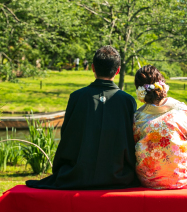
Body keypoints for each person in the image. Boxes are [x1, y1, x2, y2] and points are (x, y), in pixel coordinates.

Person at [26, 46, 139, 190]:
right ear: (117, 70)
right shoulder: (127, 101)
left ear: (92, 67)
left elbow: (67, 136)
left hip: (78, 175)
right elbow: (132, 140)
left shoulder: (77, 97)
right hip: (118, 176)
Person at [133, 65, 187, 189]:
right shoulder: (180, 110)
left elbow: (133, 144)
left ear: (140, 90)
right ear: (162, 84)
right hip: (182, 178)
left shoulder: (138, 117)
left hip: (149, 180)